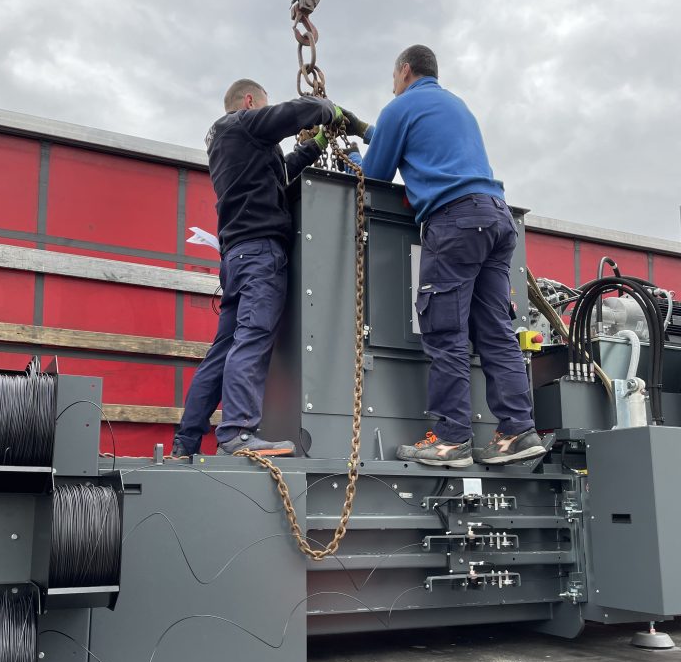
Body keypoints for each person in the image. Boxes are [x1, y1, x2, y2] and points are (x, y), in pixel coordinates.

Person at [343, 45, 545, 467]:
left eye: (393, 76)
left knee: (444, 330)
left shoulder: (400, 106)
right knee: (494, 330)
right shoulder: (456, 105)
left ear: (403, 71)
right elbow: (425, 144)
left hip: (454, 222)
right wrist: (367, 130)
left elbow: (375, 174)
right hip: (496, 218)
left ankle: (452, 439)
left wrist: (353, 156)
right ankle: (517, 431)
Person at [170, 79, 346, 460]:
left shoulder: (229, 144)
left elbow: (279, 175)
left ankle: (185, 443)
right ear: (250, 102)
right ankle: (237, 432)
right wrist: (327, 109)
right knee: (252, 338)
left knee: (222, 351)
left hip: (236, 258)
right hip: (261, 254)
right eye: (262, 107)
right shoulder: (244, 123)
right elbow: (295, 112)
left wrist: (313, 147)